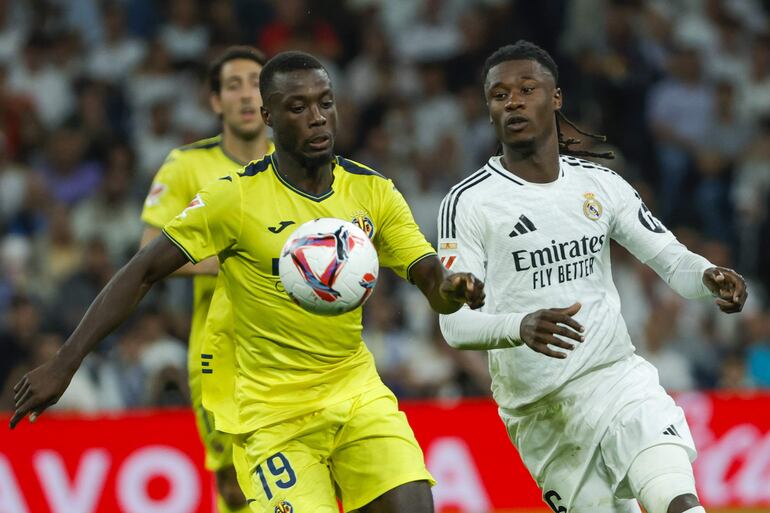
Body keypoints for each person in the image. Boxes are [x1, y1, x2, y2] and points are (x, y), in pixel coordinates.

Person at [11, 51, 485, 513]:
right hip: (272, 418)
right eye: (298, 107)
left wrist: (451, 289)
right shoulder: (234, 198)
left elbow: (429, 278)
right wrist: (65, 363)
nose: (317, 117)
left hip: (357, 395)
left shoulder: (373, 191)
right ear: (268, 117)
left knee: (413, 503)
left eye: (325, 102)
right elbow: (142, 271)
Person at [437, 41, 747, 513]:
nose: (513, 102)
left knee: (679, 501)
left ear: (556, 97)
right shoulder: (470, 203)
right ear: (489, 109)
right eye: (500, 95)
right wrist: (519, 326)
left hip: (618, 379)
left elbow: (671, 260)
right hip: (541, 411)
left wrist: (709, 276)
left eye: (526, 89)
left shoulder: (599, 183)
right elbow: (454, 325)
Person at [139, 45, 273, 513]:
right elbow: (148, 252)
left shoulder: (296, 163)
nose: (246, 95)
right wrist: (236, 258)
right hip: (221, 353)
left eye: (256, 83)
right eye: (233, 86)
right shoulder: (187, 165)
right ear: (216, 101)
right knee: (235, 486)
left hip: (293, 348)